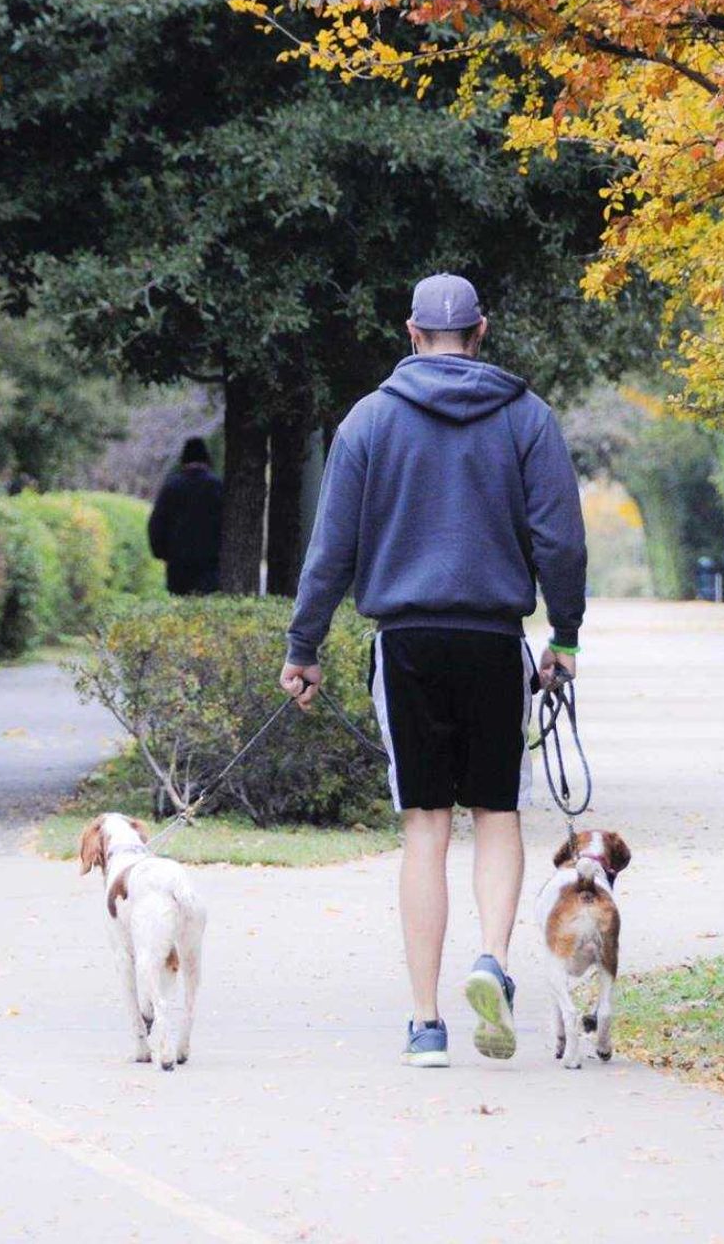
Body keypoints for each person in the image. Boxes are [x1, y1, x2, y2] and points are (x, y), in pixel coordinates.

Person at [280, 273, 586, 1067]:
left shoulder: (369, 421)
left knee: (424, 825)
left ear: (412, 332)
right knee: (496, 813)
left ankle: (425, 1023)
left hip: (407, 641)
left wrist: (303, 648)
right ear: (481, 331)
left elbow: (331, 551)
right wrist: (567, 635)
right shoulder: (527, 416)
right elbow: (560, 539)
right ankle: (492, 958)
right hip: (492, 639)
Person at [147, 436, 224, 595]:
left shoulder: (172, 487)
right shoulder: (217, 486)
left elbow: (157, 524)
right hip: (210, 564)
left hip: (178, 563)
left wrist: (161, 552)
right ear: (206, 459)